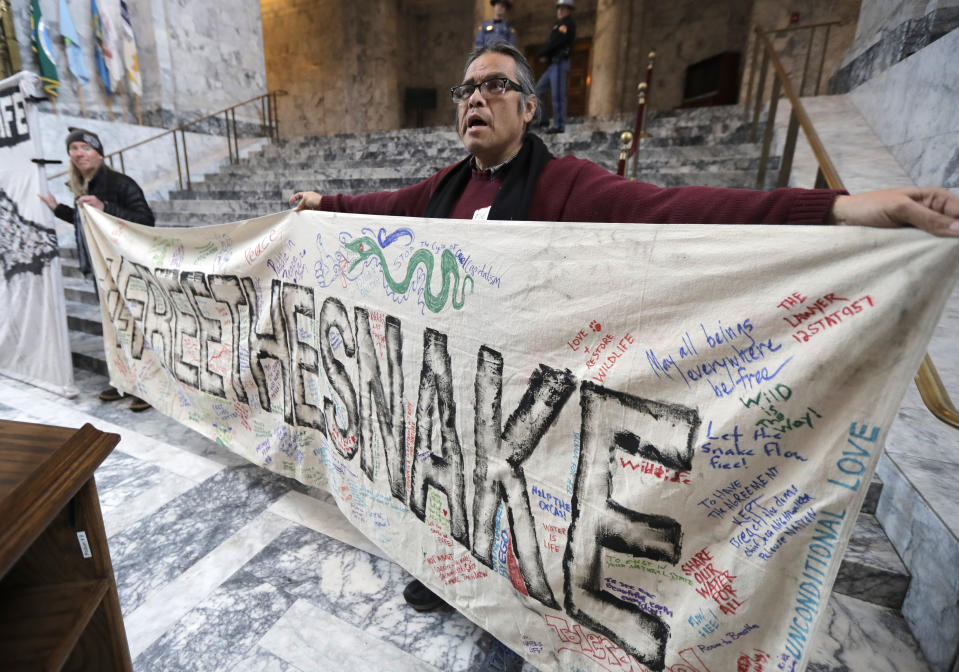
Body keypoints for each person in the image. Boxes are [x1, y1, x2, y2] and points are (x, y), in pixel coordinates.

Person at [289, 37, 958, 619]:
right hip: (451, 384)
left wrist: (841, 206)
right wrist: (325, 203)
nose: (475, 98)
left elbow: (677, 208)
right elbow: (377, 210)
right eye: (467, 89)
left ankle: (519, 594)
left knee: (514, 503)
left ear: (527, 107)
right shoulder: (443, 189)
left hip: (524, 392)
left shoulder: (563, 184)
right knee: (443, 480)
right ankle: (441, 569)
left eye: (496, 85)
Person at [39, 127, 156, 412]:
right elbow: (88, 225)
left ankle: (149, 386)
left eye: (84, 147)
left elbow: (146, 220)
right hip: (101, 269)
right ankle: (124, 381)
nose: (78, 153)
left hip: (124, 268)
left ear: (98, 152)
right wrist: (60, 210)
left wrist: (105, 206)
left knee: (135, 327)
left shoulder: (119, 183)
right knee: (114, 328)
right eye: (73, 149)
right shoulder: (84, 185)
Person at [535, 0, 576, 134]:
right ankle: (543, 119)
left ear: (569, 10)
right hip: (553, 64)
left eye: (563, 9)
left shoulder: (567, 24)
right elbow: (553, 42)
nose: (560, 11)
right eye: (558, 9)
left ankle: (559, 125)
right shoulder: (557, 25)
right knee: (538, 90)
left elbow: (558, 42)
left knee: (558, 95)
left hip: (560, 63)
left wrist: (544, 52)